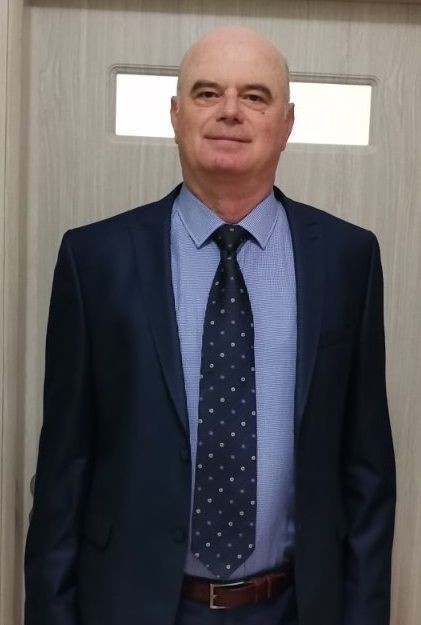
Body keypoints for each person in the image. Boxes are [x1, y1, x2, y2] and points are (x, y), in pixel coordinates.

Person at [24, 26, 396, 625]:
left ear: (287, 122)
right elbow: (65, 467)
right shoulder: (95, 259)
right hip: (133, 606)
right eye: (206, 93)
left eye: (255, 96)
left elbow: (367, 470)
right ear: (176, 114)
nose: (230, 111)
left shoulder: (349, 259)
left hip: (296, 606)